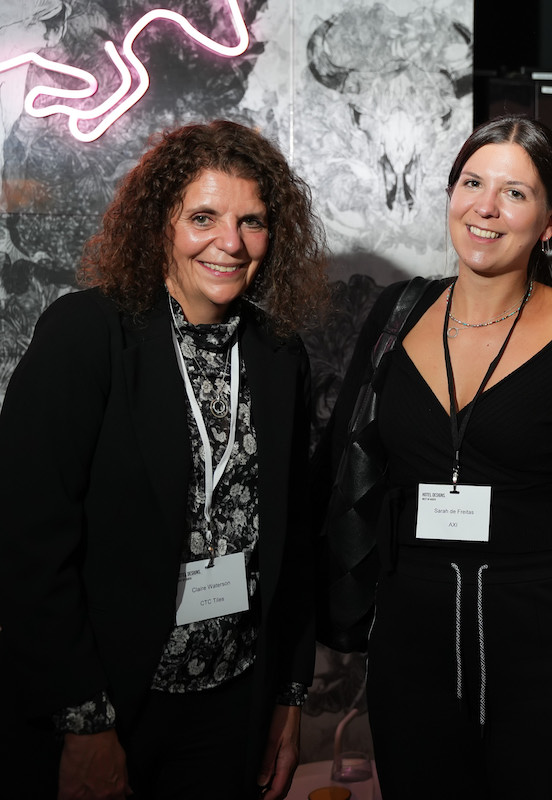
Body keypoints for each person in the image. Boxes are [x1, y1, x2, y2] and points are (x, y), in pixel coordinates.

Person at [313, 114, 552, 796]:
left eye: (515, 193)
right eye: (472, 182)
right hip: (412, 655)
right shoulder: (397, 315)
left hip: (544, 657)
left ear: (551, 221)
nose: (485, 207)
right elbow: (349, 471)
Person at [0, 120, 328, 799]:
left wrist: (287, 699)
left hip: (233, 702)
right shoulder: (87, 335)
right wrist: (84, 724)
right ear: (160, 224)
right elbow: (26, 543)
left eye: (253, 221)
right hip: (109, 703)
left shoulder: (278, 356)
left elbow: (295, 547)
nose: (230, 243)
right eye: (203, 217)